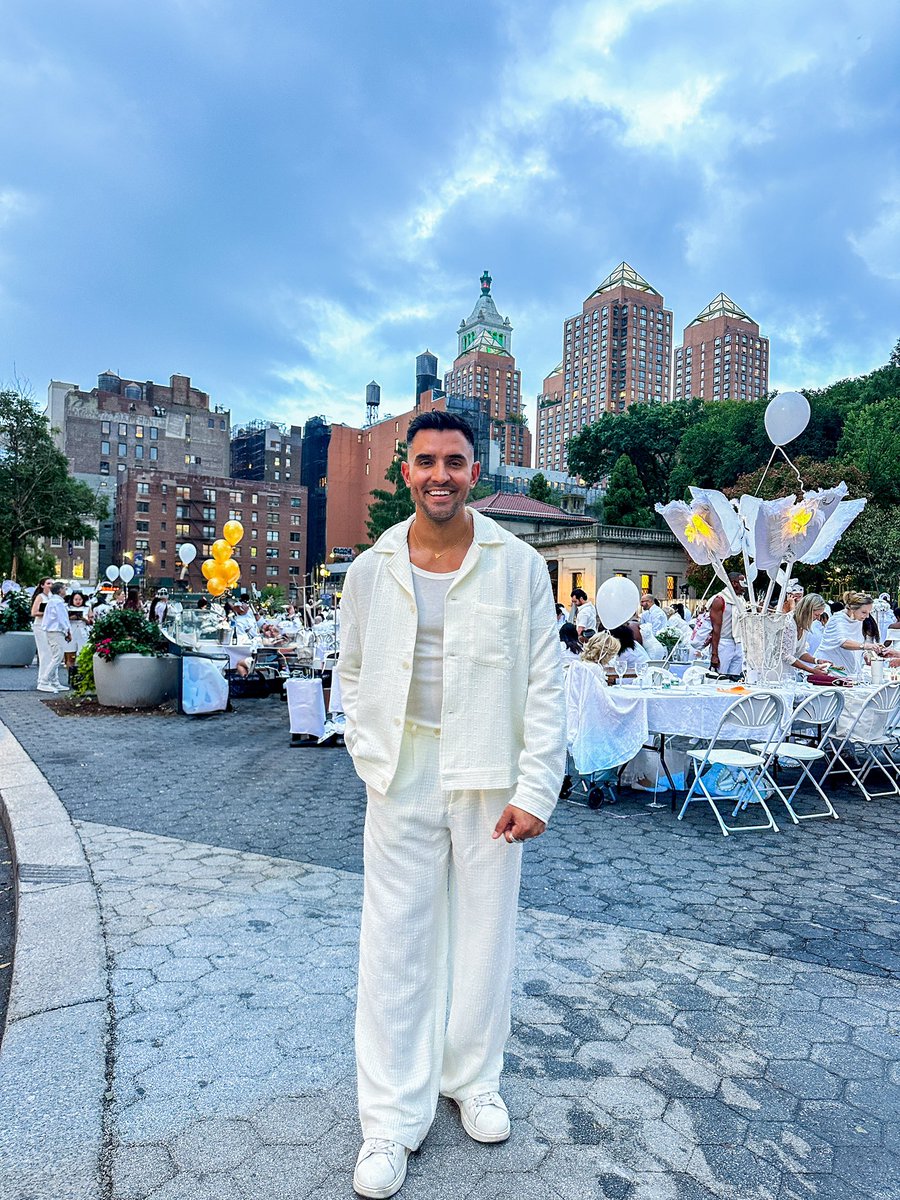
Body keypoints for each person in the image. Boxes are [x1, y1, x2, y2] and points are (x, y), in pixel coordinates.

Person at [338, 410, 565, 1199]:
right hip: (401, 769)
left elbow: (545, 681)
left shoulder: (517, 565)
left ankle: (473, 1079)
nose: (441, 474)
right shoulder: (371, 570)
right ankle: (390, 1119)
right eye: (427, 460)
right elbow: (353, 670)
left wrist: (537, 787)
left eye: (456, 461)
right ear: (406, 469)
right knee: (395, 943)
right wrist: (369, 755)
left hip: (490, 775)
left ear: (477, 471)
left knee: (484, 934)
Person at [817, 591, 883, 677]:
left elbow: (857, 642)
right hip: (830, 665)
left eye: (869, 613)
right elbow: (843, 643)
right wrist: (866, 646)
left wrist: (866, 654)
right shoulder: (837, 619)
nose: (867, 616)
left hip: (847, 667)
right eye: (864, 612)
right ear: (853, 609)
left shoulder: (857, 619)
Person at [781, 593, 831, 677]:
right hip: (777, 672)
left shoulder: (803, 625)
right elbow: (786, 656)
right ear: (807, 610)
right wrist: (811, 670)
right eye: (816, 615)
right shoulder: (788, 623)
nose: (818, 618)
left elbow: (800, 652)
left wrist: (817, 661)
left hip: (788, 674)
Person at [708, 572, 746, 676]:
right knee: (719, 677)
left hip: (738, 643)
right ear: (734, 583)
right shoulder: (720, 600)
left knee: (735, 678)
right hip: (723, 644)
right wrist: (714, 654)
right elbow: (716, 628)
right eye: (742, 583)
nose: (745, 587)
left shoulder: (741, 600)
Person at [40, 582, 71, 692]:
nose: (65, 589)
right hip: (56, 631)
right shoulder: (58, 603)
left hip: (53, 631)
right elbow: (62, 619)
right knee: (57, 657)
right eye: (64, 588)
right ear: (59, 590)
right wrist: (68, 631)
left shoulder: (54, 601)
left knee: (55, 656)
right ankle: (44, 681)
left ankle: (54, 681)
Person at [30, 578, 54, 691]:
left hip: (49, 626)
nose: (50, 585)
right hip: (40, 626)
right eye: (48, 583)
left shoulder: (51, 597)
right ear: (42, 585)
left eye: (52, 583)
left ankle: (50, 679)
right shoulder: (41, 597)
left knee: (51, 653)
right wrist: (46, 613)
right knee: (44, 653)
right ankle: (42, 680)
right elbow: (34, 612)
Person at [66, 591, 90, 674]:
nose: (78, 601)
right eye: (76, 599)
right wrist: (70, 618)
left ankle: (81, 674)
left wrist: (84, 619)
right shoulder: (67, 608)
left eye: (80, 599)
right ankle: (71, 674)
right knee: (70, 655)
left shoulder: (87, 608)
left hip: (82, 631)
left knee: (82, 654)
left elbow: (91, 621)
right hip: (71, 631)